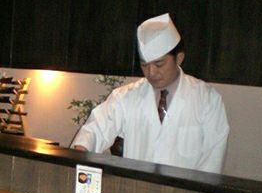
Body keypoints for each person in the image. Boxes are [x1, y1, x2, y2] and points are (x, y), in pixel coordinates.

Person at [72, 13, 229, 173]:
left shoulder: (207, 100)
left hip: (184, 188)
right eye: (144, 65)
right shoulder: (126, 96)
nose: (151, 72)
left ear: (179, 58)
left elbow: (212, 160)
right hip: (136, 186)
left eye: (159, 64)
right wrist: (81, 152)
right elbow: (96, 129)